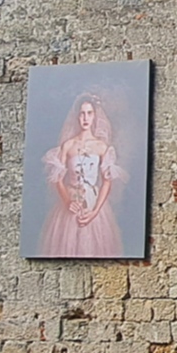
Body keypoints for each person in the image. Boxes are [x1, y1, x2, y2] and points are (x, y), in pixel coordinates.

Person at [40, 95, 125, 258]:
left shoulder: (102, 147)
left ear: (95, 116)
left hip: (93, 204)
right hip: (71, 203)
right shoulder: (68, 145)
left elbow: (107, 183)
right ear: (76, 116)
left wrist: (95, 212)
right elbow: (57, 178)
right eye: (82, 113)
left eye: (89, 113)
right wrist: (68, 201)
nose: (85, 118)